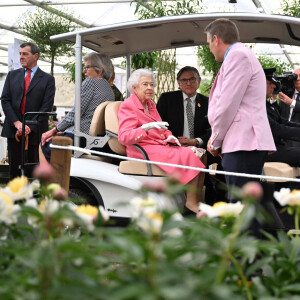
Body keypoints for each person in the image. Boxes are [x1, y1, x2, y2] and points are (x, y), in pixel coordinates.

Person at [118, 68, 206, 213]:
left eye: (152, 85)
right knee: (190, 154)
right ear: (134, 87)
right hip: (142, 150)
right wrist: (144, 129)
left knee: (200, 152)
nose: (150, 88)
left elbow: (162, 128)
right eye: (145, 84)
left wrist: (169, 135)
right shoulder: (128, 105)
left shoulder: (150, 104)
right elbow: (124, 137)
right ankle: (190, 203)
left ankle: (197, 199)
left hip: (158, 145)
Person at [204, 18, 275, 191]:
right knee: (248, 205)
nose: (210, 48)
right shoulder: (239, 55)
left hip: (243, 143)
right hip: (242, 143)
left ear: (216, 39)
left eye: (208, 43)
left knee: (242, 204)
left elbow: (227, 104)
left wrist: (215, 140)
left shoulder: (237, 56)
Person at [157, 66, 224, 204]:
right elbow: (158, 125)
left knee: (225, 162)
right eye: (184, 80)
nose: (188, 83)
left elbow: (214, 129)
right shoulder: (167, 99)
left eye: (192, 79)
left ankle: (217, 202)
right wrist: (174, 140)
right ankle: (191, 202)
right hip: (174, 148)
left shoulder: (208, 102)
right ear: (179, 83)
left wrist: (195, 141)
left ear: (199, 81)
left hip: (201, 147)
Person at [40, 53, 115, 162]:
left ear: (100, 70)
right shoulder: (109, 89)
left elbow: (75, 114)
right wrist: (64, 131)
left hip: (82, 138)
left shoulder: (91, 82)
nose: (84, 71)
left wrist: (54, 130)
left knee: (45, 143)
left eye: (87, 67)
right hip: (97, 139)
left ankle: (54, 178)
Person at [1, 42, 55, 179]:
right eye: (20, 54)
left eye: (25, 54)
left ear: (35, 56)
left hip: (35, 132)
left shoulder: (48, 79)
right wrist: (17, 123)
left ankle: (32, 198)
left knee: (33, 171)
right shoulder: (12, 75)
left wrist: (28, 125)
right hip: (14, 131)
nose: (21, 57)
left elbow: (46, 107)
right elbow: (5, 100)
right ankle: (15, 198)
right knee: (14, 169)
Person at [264, 68, 300, 167]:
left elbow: (281, 121)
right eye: (270, 82)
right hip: (265, 150)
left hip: (278, 145)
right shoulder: (256, 105)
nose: (274, 86)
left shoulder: (262, 104)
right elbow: (276, 127)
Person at [278, 68, 300, 146]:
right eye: (295, 76)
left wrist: (292, 102)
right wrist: (273, 99)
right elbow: (279, 113)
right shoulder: (287, 92)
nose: (298, 78)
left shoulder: (289, 99)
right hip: (284, 138)